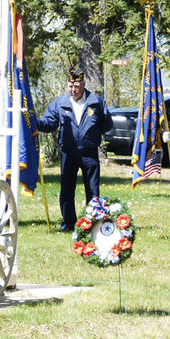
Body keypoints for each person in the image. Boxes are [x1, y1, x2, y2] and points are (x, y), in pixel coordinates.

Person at [37, 67, 113, 232]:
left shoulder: (96, 102)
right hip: (68, 153)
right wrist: (33, 121)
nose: (73, 90)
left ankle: (92, 223)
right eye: (70, 86)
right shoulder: (60, 103)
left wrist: (92, 135)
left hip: (89, 153)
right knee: (66, 191)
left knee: (92, 190)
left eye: (76, 86)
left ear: (83, 85)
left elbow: (107, 124)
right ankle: (68, 224)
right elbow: (49, 123)